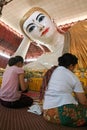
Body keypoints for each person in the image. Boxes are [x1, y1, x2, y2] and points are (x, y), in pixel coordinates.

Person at [16, 6, 87, 70]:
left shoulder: (81, 29)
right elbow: (13, 70)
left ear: (51, 20)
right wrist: (26, 39)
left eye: (41, 18)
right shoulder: (44, 61)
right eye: (31, 28)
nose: (40, 26)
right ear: (34, 41)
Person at [43, 53, 87, 127]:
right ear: (71, 66)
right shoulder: (73, 77)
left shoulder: (53, 72)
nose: (74, 69)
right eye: (74, 66)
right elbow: (83, 101)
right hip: (62, 115)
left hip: (47, 113)